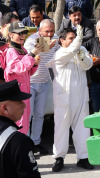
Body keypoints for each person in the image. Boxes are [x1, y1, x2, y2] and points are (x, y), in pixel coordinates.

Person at [48, 27, 94, 171]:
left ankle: (83, 157)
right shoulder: (60, 53)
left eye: (76, 38)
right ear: (62, 41)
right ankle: (59, 158)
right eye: (71, 38)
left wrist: (82, 56)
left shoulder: (80, 50)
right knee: (61, 128)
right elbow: (70, 51)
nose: (75, 41)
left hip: (80, 96)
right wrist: (79, 41)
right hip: (64, 97)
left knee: (82, 128)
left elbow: (88, 65)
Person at [23, 19, 59, 155]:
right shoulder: (31, 40)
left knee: (39, 115)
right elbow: (29, 56)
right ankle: (25, 145)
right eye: (46, 31)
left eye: (52, 31)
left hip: (44, 82)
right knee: (28, 115)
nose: (49, 34)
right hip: (30, 82)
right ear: (39, 31)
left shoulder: (55, 39)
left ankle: (35, 143)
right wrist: (47, 45)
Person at [0, 22, 39, 134]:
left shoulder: (23, 50)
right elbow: (19, 68)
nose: (22, 35)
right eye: (19, 33)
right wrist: (32, 55)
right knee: (18, 123)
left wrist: (34, 63)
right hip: (16, 93)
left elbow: (28, 72)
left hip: (24, 91)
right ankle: (16, 149)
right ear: (11, 35)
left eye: (24, 32)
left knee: (25, 122)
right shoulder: (11, 51)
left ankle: (21, 149)